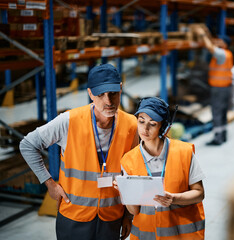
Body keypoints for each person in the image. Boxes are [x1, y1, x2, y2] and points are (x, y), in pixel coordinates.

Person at [19, 63, 138, 240]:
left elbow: (133, 172)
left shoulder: (131, 125)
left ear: (121, 89)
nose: (108, 101)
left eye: (113, 93)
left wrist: (129, 216)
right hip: (74, 216)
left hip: (112, 217)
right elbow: (28, 144)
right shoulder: (69, 121)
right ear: (90, 93)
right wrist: (49, 183)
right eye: (100, 94)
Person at [119, 97, 206, 239]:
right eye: (141, 121)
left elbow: (199, 193)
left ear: (163, 127)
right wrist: (125, 191)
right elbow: (134, 211)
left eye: (152, 124)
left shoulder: (184, 152)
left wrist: (174, 198)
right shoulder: (128, 161)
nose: (145, 129)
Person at [195, 27, 234, 145]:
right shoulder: (227, 54)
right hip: (225, 87)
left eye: (219, 40)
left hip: (219, 89)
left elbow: (210, 47)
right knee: (222, 112)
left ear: (225, 44)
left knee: (216, 112)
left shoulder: (222, 54)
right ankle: (223, 135)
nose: (216, 42)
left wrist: (202, 35)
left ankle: (218, 138)